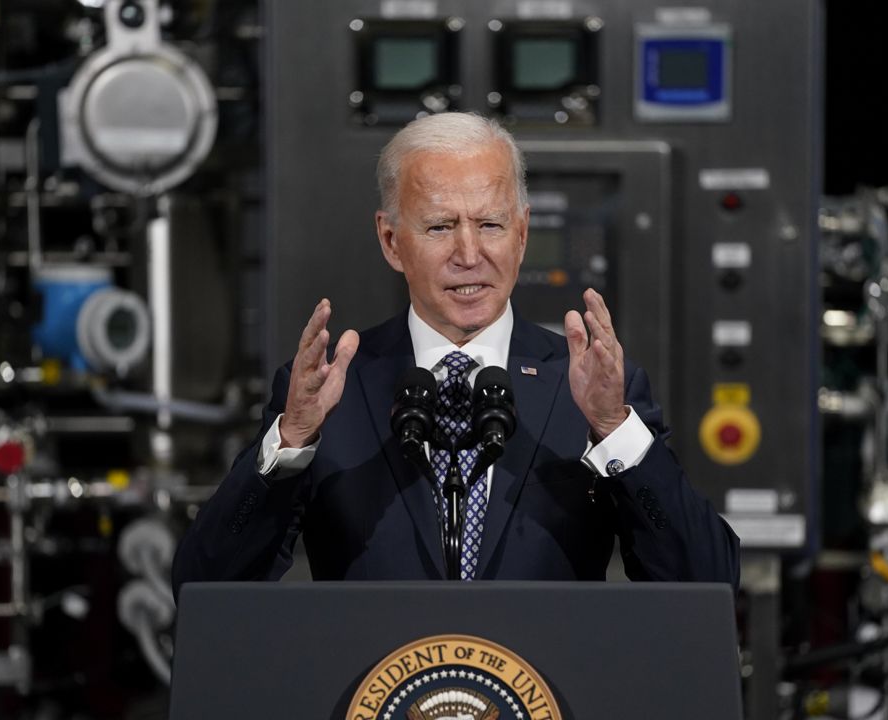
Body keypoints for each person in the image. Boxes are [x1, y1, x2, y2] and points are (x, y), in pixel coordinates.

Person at [172, 112, 738, 592]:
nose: (469, 254)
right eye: (441, 227)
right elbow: (203, 585)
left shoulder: (592, 390)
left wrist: (615, 429)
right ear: (391, 241)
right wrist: (290, 442)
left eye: (490, 224)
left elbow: (707, 581)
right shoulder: (330, 394)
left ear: (521, 234)